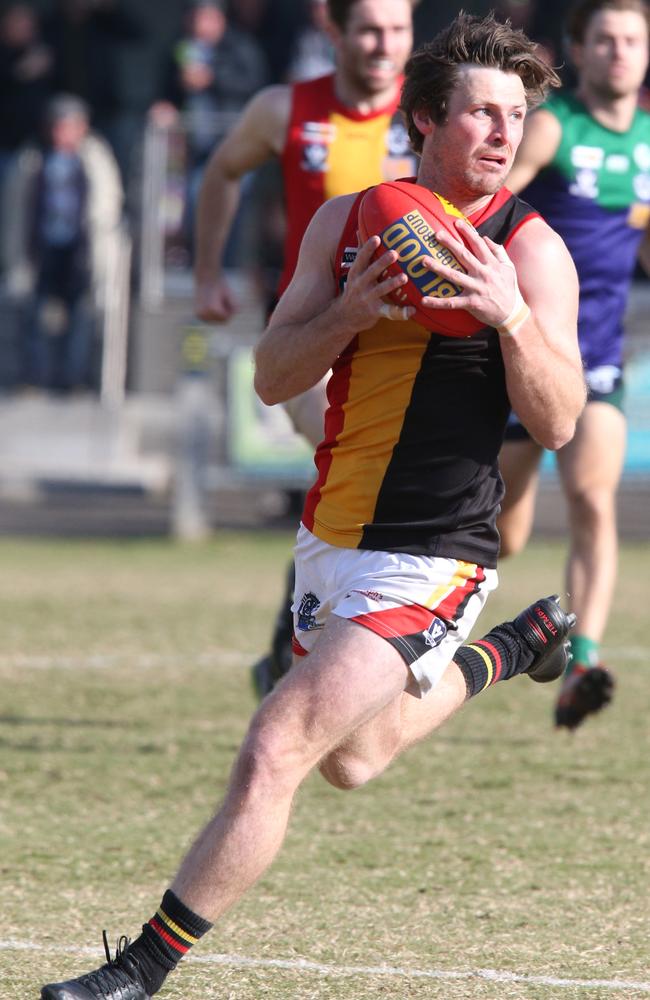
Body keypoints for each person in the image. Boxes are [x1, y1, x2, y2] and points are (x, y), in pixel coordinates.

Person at [40, 13, 586, 999]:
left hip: (434, 553)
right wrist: (348, 310)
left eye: (514, 115)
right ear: (425, 118)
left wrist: (507, 316)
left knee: (278, 741)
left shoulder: (529, 248)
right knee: (354, 759)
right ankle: (515, 646)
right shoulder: (350, 222)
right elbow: (269, 373)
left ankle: (136, 971)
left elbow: (555, 421)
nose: (503, 134)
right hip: (329, 538)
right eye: (479, 114)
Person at [195, 0, 419, 697]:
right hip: (309, 344)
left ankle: (287, 647)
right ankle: (321, 650)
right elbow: (222, 172)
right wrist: (208, 270)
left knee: (369, 490)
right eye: (370, 30)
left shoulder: (434, 110)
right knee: (354, 455)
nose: (385, 45)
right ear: (335, 31)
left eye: (399, 29)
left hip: (402, 346)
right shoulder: (283, 109)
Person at [498, 0, 650, 730]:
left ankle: (581, 657)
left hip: (600, 363)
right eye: (606, 40)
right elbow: (492, 201)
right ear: (580, 51)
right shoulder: (557, 128)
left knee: (594, 499)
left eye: (632, 40)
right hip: (525, 352)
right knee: (504, 533)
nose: (620, 52)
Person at [1, 93, 124, 393]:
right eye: (58, 126)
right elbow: (16, 209)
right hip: (41, 247)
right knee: (35, 313)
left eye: (69, 126)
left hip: (81, 250)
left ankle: (73, 379)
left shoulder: (95, 157)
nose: (63, 133)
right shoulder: (31, 158)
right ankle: (35, 377)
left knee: (80, 314)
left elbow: (108, 203)